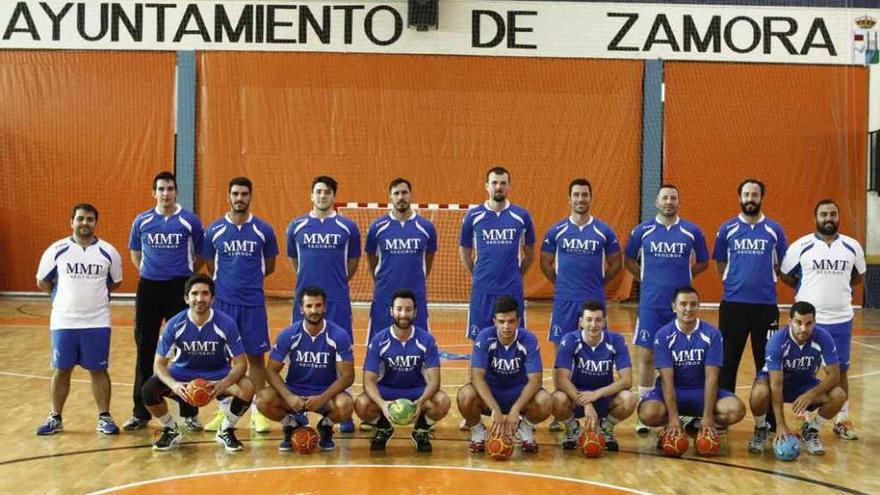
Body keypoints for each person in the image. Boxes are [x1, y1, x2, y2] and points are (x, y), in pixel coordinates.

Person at [625, 184, 709, 433]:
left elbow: (703, 262)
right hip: (651, 305)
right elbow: (629, 259)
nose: (669, 201)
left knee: (681, 357)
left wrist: (684, 276)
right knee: (647, 357)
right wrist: (646, 279)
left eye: (673, 197)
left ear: (678, 202)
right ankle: (645, 412)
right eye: (665, 198)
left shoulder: (692, 231)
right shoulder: (642, 231)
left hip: (681, 308)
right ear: (656, 202)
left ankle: (682, 411)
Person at [124, 171, 204, 432]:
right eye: (161, 189)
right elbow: (136, 254)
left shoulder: (189, 221)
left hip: (179, 288)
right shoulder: (143, 220)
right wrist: (152, 273)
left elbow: (200, 254)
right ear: (154, 192)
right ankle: (140, 412)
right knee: (145, 348)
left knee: (185, 349)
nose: (166, 193)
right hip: (149, 288)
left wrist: (182, 276)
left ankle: (190, 412)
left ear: (176, 192)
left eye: (170, 188)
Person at [540, 178, 622, 431]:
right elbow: (545, 264)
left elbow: (616, 265)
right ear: (569, 198)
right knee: (561, 358)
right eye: (576, 195)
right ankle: (561, 412)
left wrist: (597, 284)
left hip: (593, 302)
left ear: (590, 197)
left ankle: (596, 406)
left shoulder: (604, 232)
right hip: (564, 302)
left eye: (585, 195)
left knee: (595, 356)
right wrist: (562, 283)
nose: (580, 199)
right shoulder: (557, 231)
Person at [780, 199, 866, 440]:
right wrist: (805, 287)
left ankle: (842, 419)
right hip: (809, 320)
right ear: (815, 218)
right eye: (824, 214)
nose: (829, 218)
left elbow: (857, 278)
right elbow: (785, 275)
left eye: (833, 214)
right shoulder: (801, 246)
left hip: (840, 318)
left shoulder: (852, 247)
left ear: (838, 217)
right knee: (806, 369)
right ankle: (805, 417)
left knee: (841, 370)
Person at [35, 203, 123, 435]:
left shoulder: (108, 252)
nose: (85, 223)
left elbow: (115, 283)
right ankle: (55, 417)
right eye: (81, 219)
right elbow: (42, 282)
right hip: (64, 321)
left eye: (90, 219)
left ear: (96, 222)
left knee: (98, 370)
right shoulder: (56, 249)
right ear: (71, 222)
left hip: (97, 321)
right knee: (61, 369)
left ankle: (104, 417)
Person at [143, 275, 254, 452]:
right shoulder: (175, 324)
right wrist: (175, 385)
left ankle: (225, 429)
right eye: (194, 294)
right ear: (186, 298)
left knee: (247, 387)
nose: (199, 299)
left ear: (213, 298)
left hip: (217, 376)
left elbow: (241, 364)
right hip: (182, 376)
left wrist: (222, 384)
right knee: (148, 389)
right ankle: (170, 429)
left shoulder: (226, 324)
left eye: (205, 294)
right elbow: (159, 365)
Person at [203, 177, 279, 433]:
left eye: (244, 194)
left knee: (256, 359)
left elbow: (268, 266)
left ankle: (258, 412)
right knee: (223, 360)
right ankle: (224, 411)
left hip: (253, 304)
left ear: (250, 196)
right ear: (228, 196)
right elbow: (211, 265)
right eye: (235, 193)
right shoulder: (214, 230)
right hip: (224, 304)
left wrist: (247, 283)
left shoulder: (263, 230)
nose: (239, 198)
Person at [286, 175, 361, 433]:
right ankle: (299, 409)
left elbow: (351, 264)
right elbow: (295, 262)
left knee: (341, 354)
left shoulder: (348, 228)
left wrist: (336, 283)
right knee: (302, 353)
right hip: (305, 302)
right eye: (318, 191)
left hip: (337, 300)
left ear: (333, 196)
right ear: (311, 195)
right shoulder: (296, 227)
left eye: (327, 192)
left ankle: (343, 411)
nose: (322, 196)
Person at [637, 287, 746, 442]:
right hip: (672, 391)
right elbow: (667, 381)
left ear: (698, 307)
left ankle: (695, 424)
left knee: (736, 409)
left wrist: (707, 417)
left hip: (700, 393)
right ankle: (676, 424)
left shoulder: (712, 334)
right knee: (647, 413)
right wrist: (673, 418)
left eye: (693, 304)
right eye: (683, 304)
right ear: (674, 307)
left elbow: (712, 378)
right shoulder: (663, 335)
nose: (688, 309)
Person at [256, 286, 355, 452]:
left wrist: (322, 398)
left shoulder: (339, 336)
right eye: (309, 306)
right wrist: (289, 397)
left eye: (318, 305)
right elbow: (270, 370)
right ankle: (291, 425)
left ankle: (325, 426)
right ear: (301, 309)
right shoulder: (289, 335)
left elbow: (348, 376)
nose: (314, 310)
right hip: (295, 392)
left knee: (345, 405)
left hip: (324, 393)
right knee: (262, 400)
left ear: (325, 307)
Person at [713, 179, 787, 394]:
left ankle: (767, 419)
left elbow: (782, 262)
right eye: (746, 195)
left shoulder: (774, 229)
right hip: (733, 305)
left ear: (761, 198)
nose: (750, 199)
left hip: (765, 307)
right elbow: (720, 262)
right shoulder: (727, 229)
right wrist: (734, 281)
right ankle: (723, 412)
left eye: (754, 195)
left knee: (767, 362)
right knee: (727, 360)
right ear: (740, 198)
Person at [355, 290, 451, 452]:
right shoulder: (379, 340)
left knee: (443, 401)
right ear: (392, 311)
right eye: (399, 309)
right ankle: (383, 428)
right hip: (387, 390)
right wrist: (382, 404)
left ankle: (421, 429)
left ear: (415, 312)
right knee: (361, 404)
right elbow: (368, 380)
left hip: (417, 390)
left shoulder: (426, 340)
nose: (403, 314)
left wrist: (421, 401)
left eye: (408, 309)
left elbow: (435, 381)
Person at [747, 302, 845, 455]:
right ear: (790, 322)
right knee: (759, 393)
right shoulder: (777, 341)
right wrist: (780, 425)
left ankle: (811, 431)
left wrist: (810, 394)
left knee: (838, 395)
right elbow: (776, 384)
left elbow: (834, 375)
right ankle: (761, 428)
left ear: (814, 323)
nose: (804, 328)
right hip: (777, 382)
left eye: (808, 323)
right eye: (799, 323)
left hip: (805, 383)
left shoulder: (823, 338)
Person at [456, 296, 551, 453]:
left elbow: (535, 380)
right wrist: (495, 409)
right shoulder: (485, 337)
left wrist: (515, 410)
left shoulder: (528, 340)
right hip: (491, 393)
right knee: (465, 395)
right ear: (494, 321)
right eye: (501, 321)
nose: (506, 326)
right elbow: (476, 377)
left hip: (518, 393)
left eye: (511, 321)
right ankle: (478, 430)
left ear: (518, 321)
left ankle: (524, 428)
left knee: (545, 401)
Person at [459, 166, 535, 341]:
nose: (498, 187)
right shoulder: (473, 216)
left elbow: (530, 254)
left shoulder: (521, 216)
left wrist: (516, 274)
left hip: (511, 289)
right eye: (494, 183)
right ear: (487, 186)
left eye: (503, 183)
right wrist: (477, 274)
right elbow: (465, 250)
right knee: (480, 342)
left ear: (509, 187)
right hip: (483, 289)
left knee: (513, 340)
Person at [551, 301, 636, 451]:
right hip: (577, 396)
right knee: (556, 399)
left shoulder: (616, 340)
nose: (593, 324)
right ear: (581, 322)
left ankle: (605, 428)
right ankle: (573, 428)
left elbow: (627, 380)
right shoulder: (570, 339)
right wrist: (586, 402)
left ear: (604, 322)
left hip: (604, 396)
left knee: (629, 399)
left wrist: (596, 394)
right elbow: (562, 380)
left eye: (598, 320)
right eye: (589, 319)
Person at [365, 178, 437, 342]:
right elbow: (371, 258)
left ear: (411, 195)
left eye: (404, 193)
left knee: (419, 342)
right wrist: (381, 280)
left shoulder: (426, 227)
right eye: (396, 193)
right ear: (390, 197)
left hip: (415, 293)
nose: (400, 197)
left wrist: (419, 276)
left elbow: (429, 257)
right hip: (384, 295)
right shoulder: (377, 227)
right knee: (379, 343)